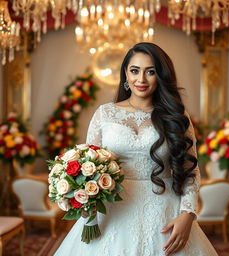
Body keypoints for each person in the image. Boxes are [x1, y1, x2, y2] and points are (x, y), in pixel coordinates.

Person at [54, 42, 218, 255]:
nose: (141, 80)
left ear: (160, 76)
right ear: (125, 74)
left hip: (164, 211)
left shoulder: (177, 116)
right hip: (113, 211)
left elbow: (190, 170)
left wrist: (187, 215)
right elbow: (89, 163)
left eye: (151, 72)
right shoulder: (105, 114)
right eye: (135, 70)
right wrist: (85, 200)